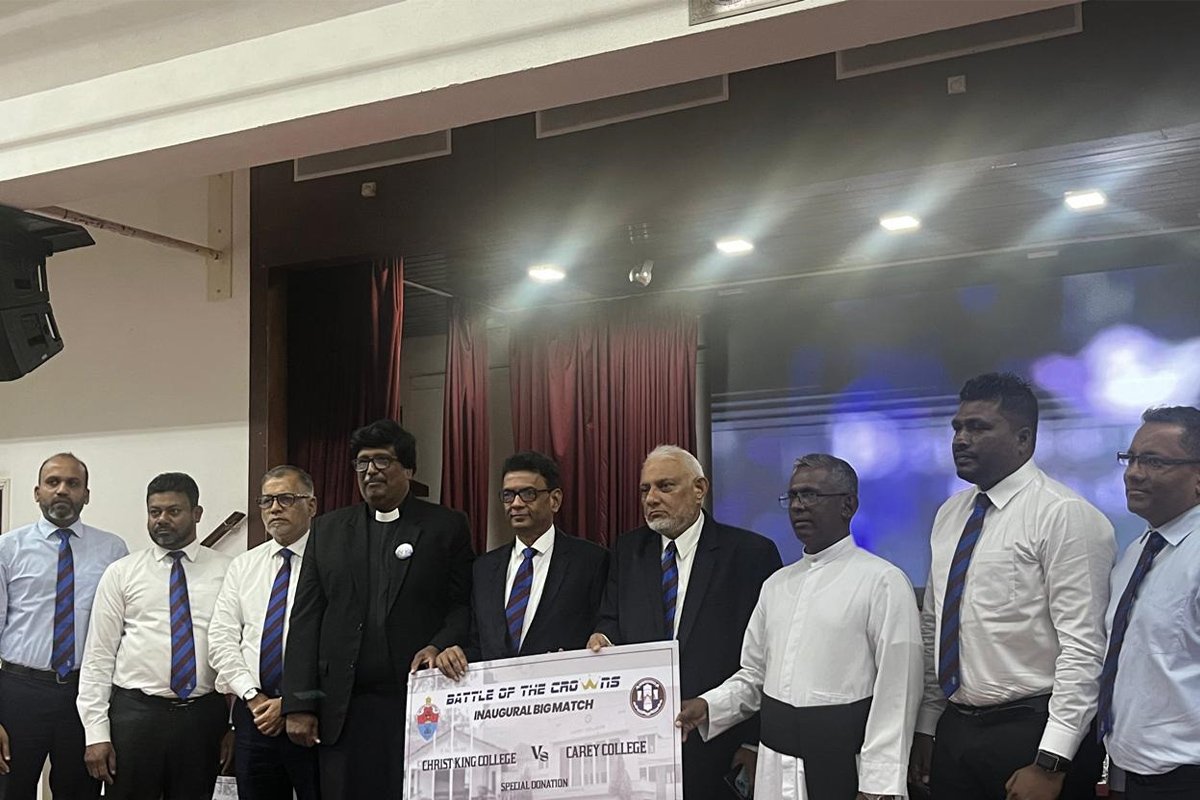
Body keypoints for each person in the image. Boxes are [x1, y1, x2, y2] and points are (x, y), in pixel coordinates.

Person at [909, 373, 1116, 800]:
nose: (961, 439)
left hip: (1033, 729)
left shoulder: (1064, 515)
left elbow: (1084, 648)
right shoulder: (950, 513)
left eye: (978, 427)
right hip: (956, 727)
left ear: (1024, 439)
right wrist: (927, 724)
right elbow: (935, 625)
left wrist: (1052, 760)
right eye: (957, 427)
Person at [676, 454, 923, 800]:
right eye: (792, 496)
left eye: (810, 495)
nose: (798, 506)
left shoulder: (883, 581)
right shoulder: (777, 585)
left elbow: (899, 689)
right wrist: (707, 706)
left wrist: (878, 785)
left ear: (848, 505)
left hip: (845, 764)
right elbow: (755, 675)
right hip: (776, 766)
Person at [282, 419, 474, 800]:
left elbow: (463, 605)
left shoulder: (445, 526)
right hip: (343, 709)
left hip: (417, 702)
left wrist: (439, 644)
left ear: (409, 469)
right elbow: (306, 619)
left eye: (382, 460)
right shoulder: (328, 530)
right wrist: (299, 703)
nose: (370, 471)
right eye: (362, 462)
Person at [589, 444, 782, 800]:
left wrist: (753, 743)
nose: (651, 498)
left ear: (699, 489)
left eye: (665, 486)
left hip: (720, 745)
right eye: (645, 489)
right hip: (640, 744)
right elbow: (611, 618)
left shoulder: (750, 554)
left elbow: (769, 659)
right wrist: (603, 637)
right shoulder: (627, 551)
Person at [77, 472, 233, 800]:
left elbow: (239, 648)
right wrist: (96, 733)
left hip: (203, 717)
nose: (162, 519)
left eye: (173, 511)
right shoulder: (122, 573)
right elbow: (98, 656)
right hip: (136, 716)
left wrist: (234, 725)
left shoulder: (229, 570)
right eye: (154, 512)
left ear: (197, 513)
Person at [0, 453, 128, 800]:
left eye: (73, 483)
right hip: (18, 692)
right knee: (10, 789)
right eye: (52, 482)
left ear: (86, 494)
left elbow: (119, 630)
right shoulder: (7, 548)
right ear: (37, 492)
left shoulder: (113, 550)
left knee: (80, 791)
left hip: (83, 692)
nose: (62, 490)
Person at [435, 450, 609, 679]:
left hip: (563, 691)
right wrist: (454, 656)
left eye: (528, 494)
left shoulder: (591, 561)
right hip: (498, 694)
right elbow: (480, 646)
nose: (516, 504)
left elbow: (603, 630)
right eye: (508, 495)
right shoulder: (483, 568)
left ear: (555, 500)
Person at [1100, 407, 1200, 800]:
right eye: (1131, 458)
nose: (1134, 473)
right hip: (1128, 773)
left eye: (1154, 461)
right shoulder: (1138, 552)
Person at [210, 466, 320, 800]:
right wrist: (254, 698)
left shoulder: (330, 561)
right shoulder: (244, 566)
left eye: (286, 499)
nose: (274, 508)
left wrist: (292, 703)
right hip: (254, 716)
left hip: (312, 713)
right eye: (266, 501)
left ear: (311, 505)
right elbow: (221, 640)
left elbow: (338, 644)